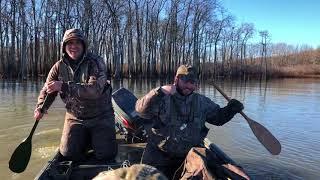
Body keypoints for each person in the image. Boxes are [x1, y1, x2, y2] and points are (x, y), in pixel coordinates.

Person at [135, 64, 244, 179]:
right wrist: (158, 92)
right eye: (185, 81)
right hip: (159, 155)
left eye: (192, 82)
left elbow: (218, 119)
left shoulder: (202, 102)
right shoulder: (161, 97)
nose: (188, 85)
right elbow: (140, 110)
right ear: (176, 80)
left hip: (189, 156)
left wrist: (231, 109)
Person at [34, 28, 117, 162]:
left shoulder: (96, 62)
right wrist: (41, 108)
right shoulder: (58, 66)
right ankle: (86, 139)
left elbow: (95, 91)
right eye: (69, 43)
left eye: (77, 43)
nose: (73, 46)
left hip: (101, 116)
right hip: (75, 116)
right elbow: (47, 88)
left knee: (107, 156)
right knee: (67, 154)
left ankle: (94, 139)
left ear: (83, 45)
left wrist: (64, 86)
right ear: (64, 46)